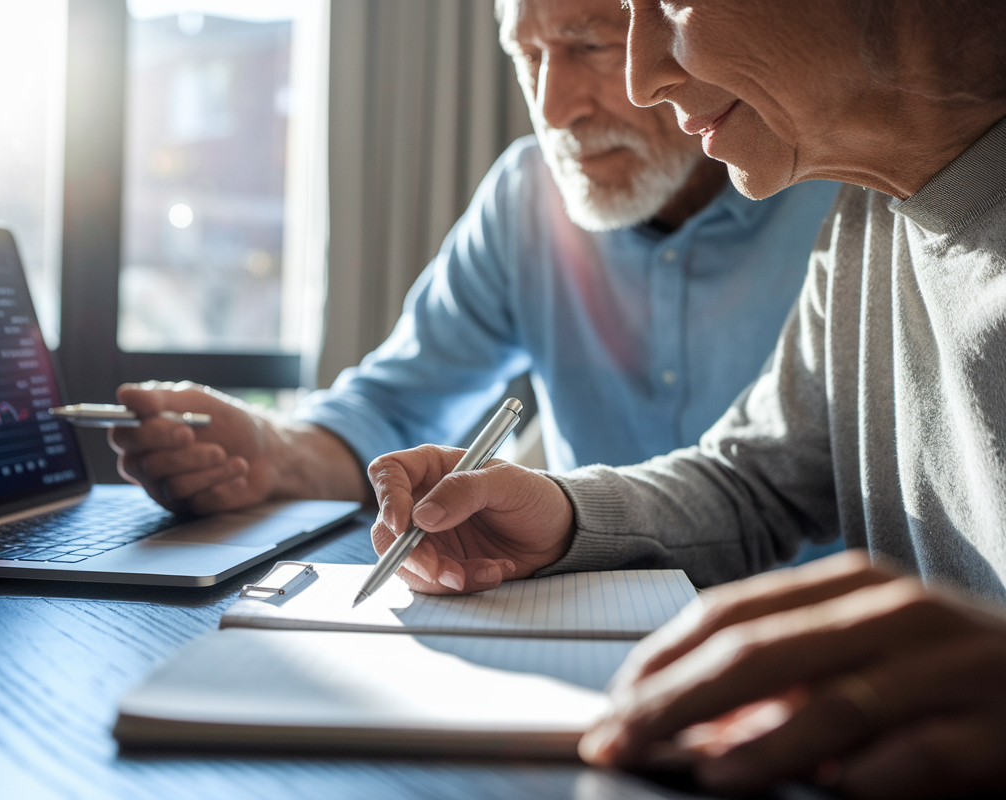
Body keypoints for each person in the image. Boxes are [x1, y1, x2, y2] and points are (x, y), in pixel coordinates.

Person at [368, 0, 1006, 795]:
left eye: (668, 3)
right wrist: (563, 516)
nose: (644, 75)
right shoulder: (868, 216)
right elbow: (757, 483)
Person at [108, 0, 838, 535]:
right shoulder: (527, 197)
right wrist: (269, 453)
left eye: (589, 46)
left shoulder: (846, 195)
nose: (555, 107)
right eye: (528, 57)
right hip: (577, 613)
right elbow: (396, 407)